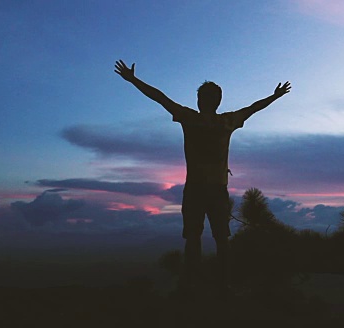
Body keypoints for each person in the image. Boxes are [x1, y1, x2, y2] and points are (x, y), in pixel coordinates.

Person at [114, 60, 291, 293]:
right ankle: (223, 284)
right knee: (221, 239)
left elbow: (160, 98)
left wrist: (133, 80)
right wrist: (275, 96)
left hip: (196, 189)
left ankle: (192, 284)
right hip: (217, 189)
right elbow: (253, 108)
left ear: (199, 101)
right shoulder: (226, 121)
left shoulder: (190, 118)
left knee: (194, 238)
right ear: (218, 101)